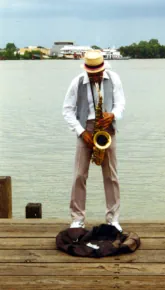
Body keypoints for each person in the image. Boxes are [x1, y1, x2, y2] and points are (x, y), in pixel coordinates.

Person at [62, 50, 125, 232]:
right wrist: (82, 132)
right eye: (92, 74)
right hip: (85, 130)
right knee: (79, 176)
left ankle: (113, 219)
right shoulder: (77, 82)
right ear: (86, 70)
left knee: (111, 176)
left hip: (107, 130)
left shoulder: (113, 79)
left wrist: (112, 114)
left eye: (98, 73)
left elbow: (121, 103)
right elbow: (67, 110)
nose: (96, 77)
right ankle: (77, 219)